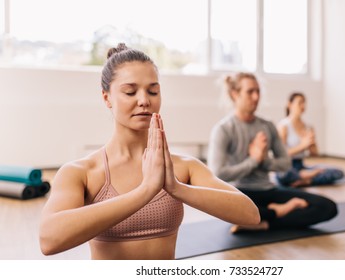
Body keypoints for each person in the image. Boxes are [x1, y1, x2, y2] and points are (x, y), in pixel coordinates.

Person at [39, 44, 260, 260]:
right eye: (130, 92)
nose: (144, 101)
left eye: (153, 91)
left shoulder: (183, 168)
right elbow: (49, 240)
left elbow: (250, 214)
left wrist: (175, 187)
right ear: (107, 97)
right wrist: (145, 191)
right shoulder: (81, 172)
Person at [207, 72, 338, 233]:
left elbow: (285, 163)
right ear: (235, 94)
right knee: (222, 205)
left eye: (258, 91)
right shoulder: (223, 129)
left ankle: (266, 221)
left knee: (327, 207)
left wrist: (263, 160)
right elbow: (217, 174)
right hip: (239, 193)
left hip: (268, 190)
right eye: (250, 92)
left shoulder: (267, 126)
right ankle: (277, 212)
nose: (256, 97)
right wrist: (253, 160)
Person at [276, 92, 344, 187]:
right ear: (289, 104)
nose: (303, 106)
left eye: (304, 102)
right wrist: (302, 145)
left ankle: (305, 180)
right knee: (282, 174)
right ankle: (302, 176)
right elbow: (280, 154)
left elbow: (315, 154)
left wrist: (311, 144)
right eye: (300, 102)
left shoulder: (308, 127)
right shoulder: (283, 126)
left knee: (338, 172)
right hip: (288, 166)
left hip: (301, 166)